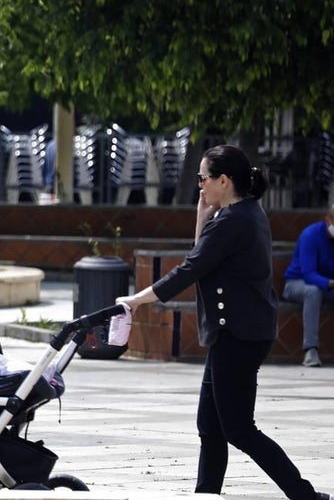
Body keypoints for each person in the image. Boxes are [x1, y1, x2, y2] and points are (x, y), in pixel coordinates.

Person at [116, 145, 328, 500]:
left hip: (239, 336)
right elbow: (204, 257)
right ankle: (206, 494)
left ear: (224, 180)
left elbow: (191, 269)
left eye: (203, 178)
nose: (200, 185)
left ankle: (304, 495)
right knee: (211, 427)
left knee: (239, 429)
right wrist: (202, 221)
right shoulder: (244, 213)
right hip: (236, 334)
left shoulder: (234, 220)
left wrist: (137, 300)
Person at [281, 202, 334, 367]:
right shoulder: (310, 235)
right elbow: (308, 273)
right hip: (297, 284)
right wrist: (330, 282)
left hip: (327, 286)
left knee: (317, 290)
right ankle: (310, 351)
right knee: (313, 291)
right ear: (328, 221)